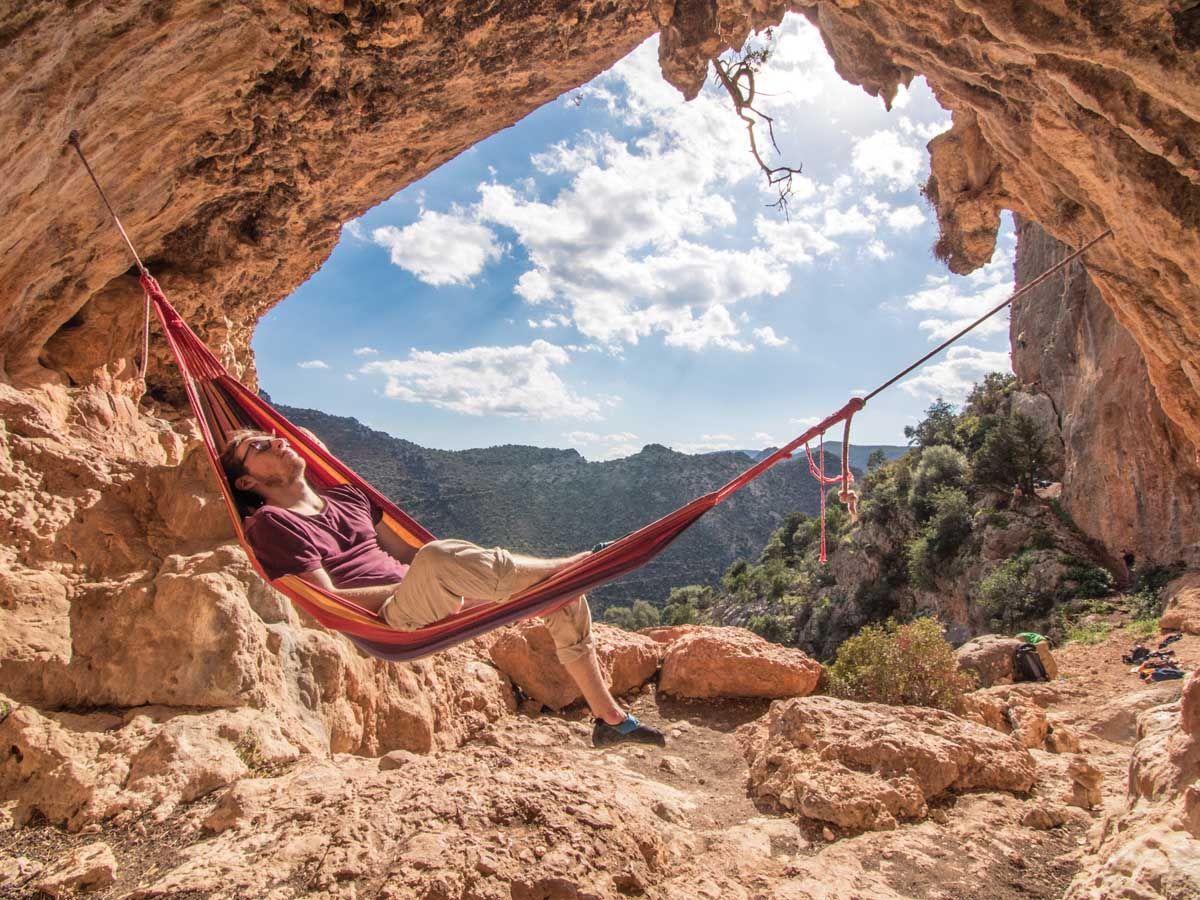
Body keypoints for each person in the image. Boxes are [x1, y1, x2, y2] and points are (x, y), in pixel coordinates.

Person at [219, 428, 665, 748]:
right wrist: (415, 584)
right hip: (387, 619)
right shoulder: (273, 524)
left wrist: (451, 578)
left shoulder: (349, 497)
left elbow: (410, 553)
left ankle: (610, 720)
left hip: (430, 594)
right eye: (257, 446)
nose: (275, 441)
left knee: (560, 595)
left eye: (274, 435)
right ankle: (576, 562)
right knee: (444, 558)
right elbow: (327, 602)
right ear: (246, 482)